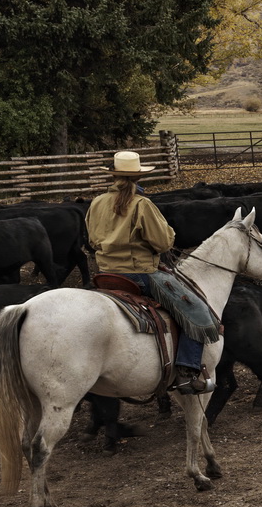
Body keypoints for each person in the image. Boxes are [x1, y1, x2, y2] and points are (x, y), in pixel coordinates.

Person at [83, 151, 221, 395]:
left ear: (113, 175)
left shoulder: (97, 203)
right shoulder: (141, 204)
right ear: (138, 177)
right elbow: (163, 242)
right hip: (140, 273)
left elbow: (93, 241)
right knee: (197, 312)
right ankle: (187, 372)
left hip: (106, 273)